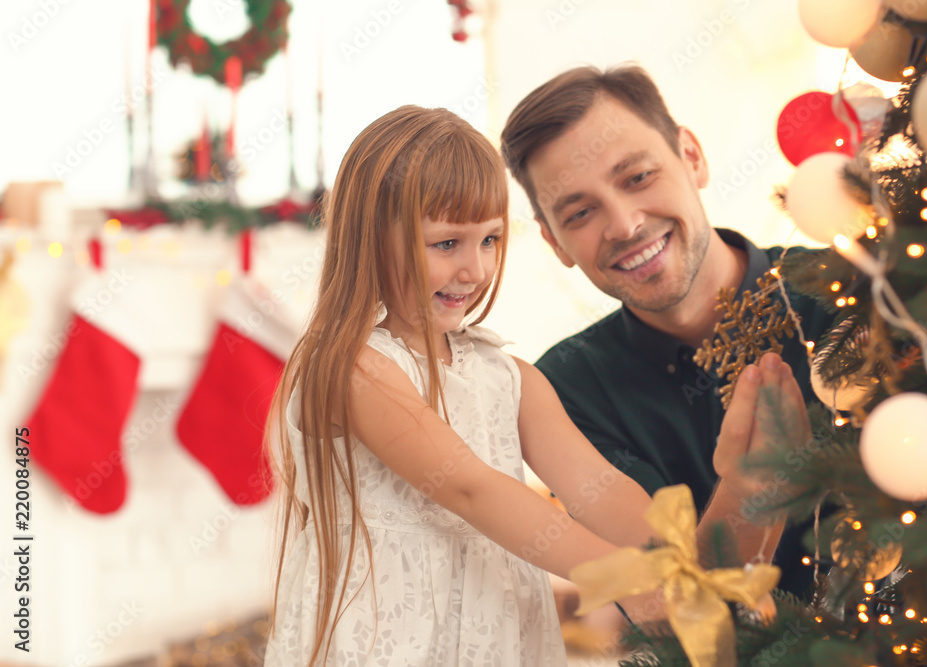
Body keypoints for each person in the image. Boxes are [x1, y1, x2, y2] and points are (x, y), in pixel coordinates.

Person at [262, 105, 800, 666]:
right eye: (446, 244)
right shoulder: (356, 367)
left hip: (498, 637)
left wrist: (679, 565)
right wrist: (626, 580)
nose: (475, 269)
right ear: (372, 239)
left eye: (490, 240)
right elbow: (472, 489)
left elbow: (603, 489)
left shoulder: (510, 377)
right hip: (385, 642)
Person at [500, 65, 834, 596]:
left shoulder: (854, 292)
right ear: (555, 242)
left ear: (691, 158)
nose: (626, 225)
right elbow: (676, 609)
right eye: (581, 211)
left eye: (637, 178)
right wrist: (748, 487)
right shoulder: (563, 391)